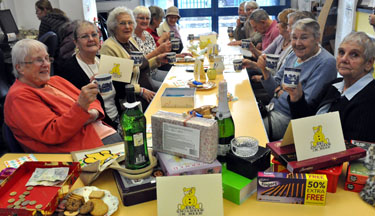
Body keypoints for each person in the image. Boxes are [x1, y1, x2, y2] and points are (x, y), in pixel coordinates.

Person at [3, 39, 122, 153]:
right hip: (80, 150)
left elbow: (94, 102)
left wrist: (89, 114)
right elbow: (53, 133)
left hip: (101, 137)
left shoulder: (56, 80)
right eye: (38, 60)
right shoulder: (19, 97)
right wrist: (82, 109)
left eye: (47, 59)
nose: (46, 64)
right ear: (20, 68)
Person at [243, 18, 337, 141]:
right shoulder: (294, 54)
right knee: (239, 117)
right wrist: (265, 71)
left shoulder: (326, 63)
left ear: (317, 38)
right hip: (271, 107)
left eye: (304, 37)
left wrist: (278, 92)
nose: (297, 43)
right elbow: (274, 87)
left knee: (245, 133)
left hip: (288, 119)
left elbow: (304, 104)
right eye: (294, 38)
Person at [284, 32, 375, 142]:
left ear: (369, 63)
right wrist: (297, 97)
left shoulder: (370, 98)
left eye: (354, 55)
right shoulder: (335, 85)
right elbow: (306, 120)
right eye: (341, 52)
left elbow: (356, 152)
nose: (344, 59)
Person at [100, 6, 167, 110]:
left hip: (146, 89)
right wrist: (141, 91)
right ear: (114, 26)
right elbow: (116, 82)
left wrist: (157, 60)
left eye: (130, 23)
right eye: (122, 23)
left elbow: (139, 65)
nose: (127, 26)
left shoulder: (131, 41)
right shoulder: (108, 47)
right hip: (131, 98)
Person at [59, 20, 119, 130]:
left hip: (118, 117)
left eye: (94, 35)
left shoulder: (103, 61)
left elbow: (122, 88)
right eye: (85, 36)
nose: (91, 39)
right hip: (99, 124)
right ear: (76, 43)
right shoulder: (68, 69)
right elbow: (73, 107)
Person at [245, 8, 296, 82]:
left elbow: (278, 75)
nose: (277, 25)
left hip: (273, 80)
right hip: (270, 75)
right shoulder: (281, 37)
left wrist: (260, 77)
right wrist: (252, 64)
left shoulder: (294, 47)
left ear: (288, 27)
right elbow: (265, 55)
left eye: (279, 22)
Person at [133, 6, 171, 88]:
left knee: (175, 78)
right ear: (134, 19)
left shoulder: (148, 35)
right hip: (144, 77)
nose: (145, 21)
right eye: (141, 18)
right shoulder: (131, 38)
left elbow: (155, 57)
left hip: (154, 71)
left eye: (147, 18)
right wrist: (158, 51)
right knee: (170, 87)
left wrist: (161, 58)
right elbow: (139, 64)